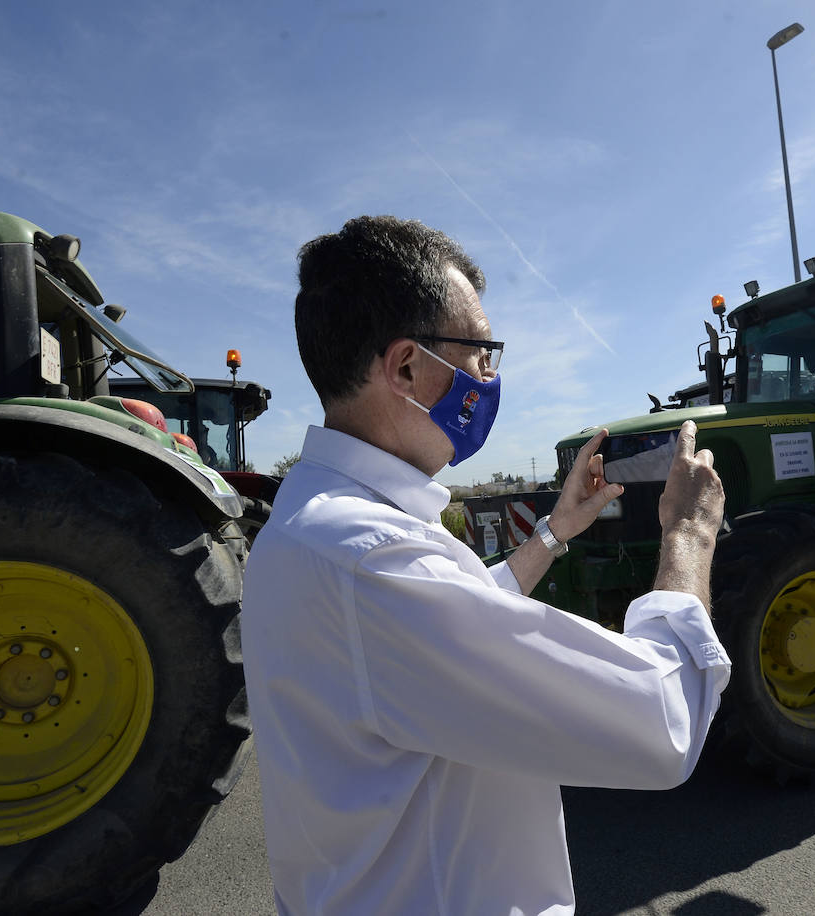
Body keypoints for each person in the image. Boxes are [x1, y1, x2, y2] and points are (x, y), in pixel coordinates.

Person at [241, 216, 729, 915]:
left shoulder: (318, 524)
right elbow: (663, 722)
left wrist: (557, 532)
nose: (490, 376)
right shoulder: (374, 562)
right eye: (480, 351)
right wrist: (688, 534)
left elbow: (458, 624)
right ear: (407, 368)